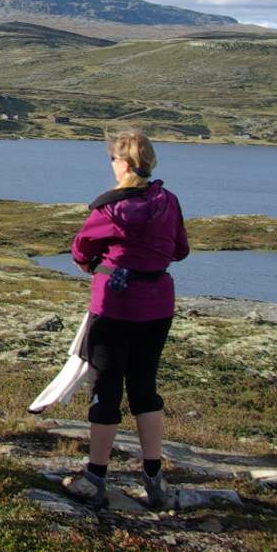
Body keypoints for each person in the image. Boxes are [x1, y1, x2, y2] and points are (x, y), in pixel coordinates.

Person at [62, 130, 188, 510]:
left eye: (114, 159)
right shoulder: (168, 201)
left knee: (106, 388)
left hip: (115, 307)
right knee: (145, 387)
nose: (112, 165)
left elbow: (81, 250)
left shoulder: (111, 209)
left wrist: (94, 263)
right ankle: (153, 475)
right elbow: (180, 250)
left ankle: (96, 475)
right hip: (158, 306)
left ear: (126, 163)